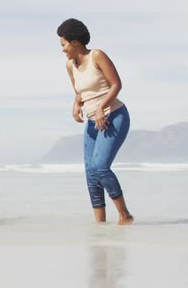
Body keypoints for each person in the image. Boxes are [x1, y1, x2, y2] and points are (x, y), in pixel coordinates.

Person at [57, 18, 134, 225]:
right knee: (91, 174)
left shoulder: (96, 56)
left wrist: (101, 108)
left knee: (100, 167)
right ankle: (100, 226)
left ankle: (125, 215)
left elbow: (116, 84)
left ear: (75, 42)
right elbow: (79, 93)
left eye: (63, 44)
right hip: (92, 122)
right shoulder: (69, 66)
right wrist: (76, 104)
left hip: (114, 116)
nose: (62, 50)